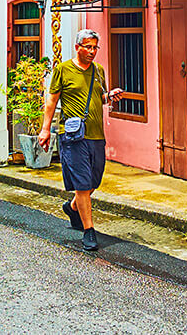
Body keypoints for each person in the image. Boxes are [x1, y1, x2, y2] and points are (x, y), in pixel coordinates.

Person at [38, 29, 123, 251]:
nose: (92, 51)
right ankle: (89, 231)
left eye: (95, 47)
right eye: (87, 47)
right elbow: (52, 101)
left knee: (94, 181)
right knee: (83, 184)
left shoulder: (98, 70)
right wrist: (45, 129)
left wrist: (109, 95)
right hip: (73, 135)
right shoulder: (63, 70)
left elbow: (99, 97)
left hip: (96, 134)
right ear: (77, 47)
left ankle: (73, 207)